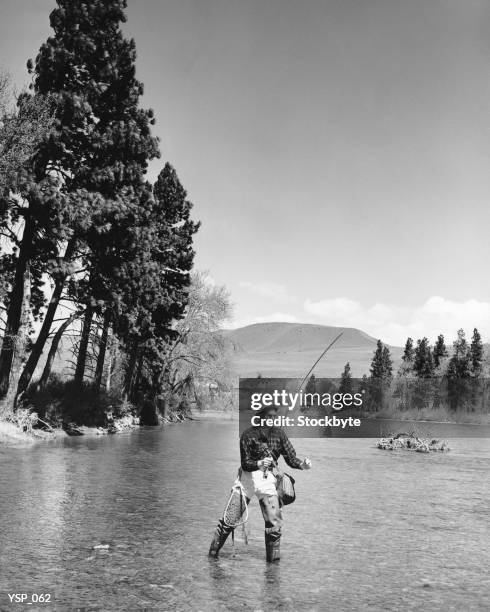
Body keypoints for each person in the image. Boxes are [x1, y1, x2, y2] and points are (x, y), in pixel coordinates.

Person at [209, 404, 311, 562]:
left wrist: (302, 465)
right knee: (228, 522)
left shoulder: (280, 435)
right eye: (269, 416)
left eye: (274, 417)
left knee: (274, 526)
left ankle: (272, 567)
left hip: (267, 484)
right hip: (246, 481)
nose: (272, 420)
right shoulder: (247, 435)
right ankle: (211, 557)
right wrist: (258, 464)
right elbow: (245, 463)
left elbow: (291, 459)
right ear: (261, 417)